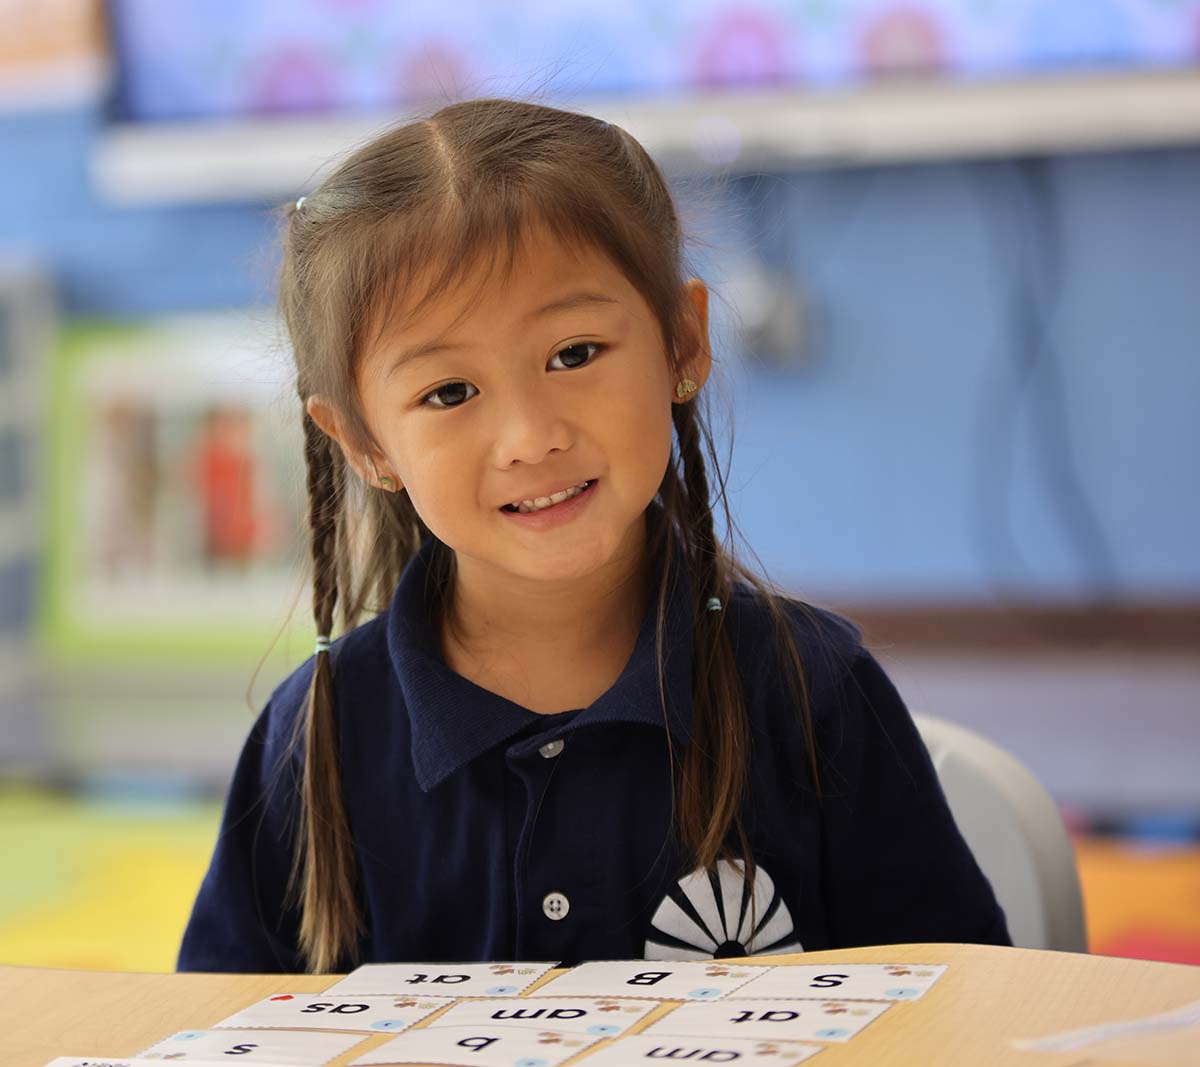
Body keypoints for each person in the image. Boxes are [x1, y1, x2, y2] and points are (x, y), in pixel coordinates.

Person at [177, 96, 1010, 976]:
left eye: (574, 354)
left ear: (683, 341)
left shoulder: (812, 692)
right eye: (450, 393)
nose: (531, 437)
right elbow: (227, 1029)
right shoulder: (321, 735)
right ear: (366, 442)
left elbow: (961, 1009)